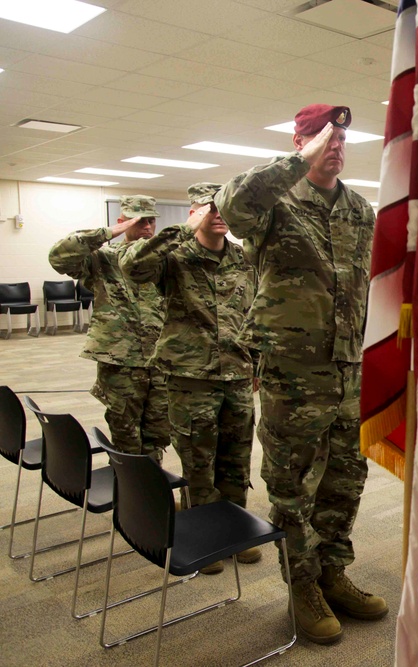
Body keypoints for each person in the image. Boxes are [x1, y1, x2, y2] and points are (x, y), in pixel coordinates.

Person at [215, 104, 387, 644]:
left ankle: (334, 572)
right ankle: (303, 585)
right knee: (293, 484)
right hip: (294, 372)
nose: (334, 143)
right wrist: (301, 157)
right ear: (299, 139)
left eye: (341, 137)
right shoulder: (273, 202)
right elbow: (232, 204)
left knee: (346, 478)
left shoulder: (360, 209)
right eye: (321, 135)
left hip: (350, 368)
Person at [121, 184, 260, 574]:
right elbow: (132, 268)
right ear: (192, 213)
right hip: (189, 375)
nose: (217, 213)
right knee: (199, 457)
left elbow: (254, 311)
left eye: (222, 207)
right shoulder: (174, 257)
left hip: (236, 372)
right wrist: (181, 231)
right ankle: (205, 533)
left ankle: (235, 530)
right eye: (207, 208)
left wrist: (258, 363)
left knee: (236, 457)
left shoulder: (242, 258)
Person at [48, 196, 169, 462]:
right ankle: (129, 495)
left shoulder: (164, 261)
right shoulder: (104, 258)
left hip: (161, 361)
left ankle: (152, 491)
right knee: (125, 433)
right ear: (122, 222)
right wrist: (107, 234)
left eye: (151, 220)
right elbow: (59, 257)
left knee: (158, 433)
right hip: (120, 361)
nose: (147, 226)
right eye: (139, 220)